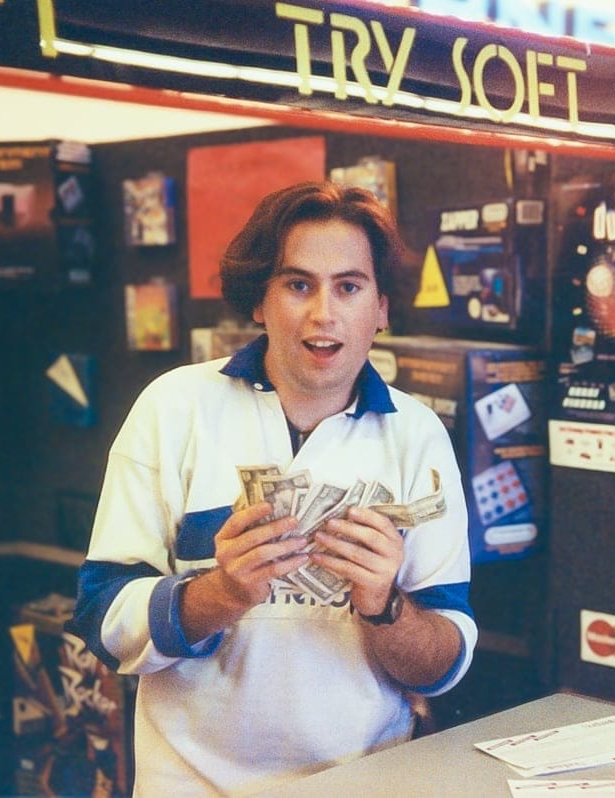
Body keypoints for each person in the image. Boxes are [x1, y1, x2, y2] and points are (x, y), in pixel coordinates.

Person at [68, 181, 476, 797]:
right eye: (298, 284)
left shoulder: (419, 436)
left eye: (349, 286)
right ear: (259, 300)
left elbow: (444, 665)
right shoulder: (173, 407)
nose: (324, 314)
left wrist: (384, 605)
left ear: (382, 308)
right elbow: (103, 621)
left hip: (365, 784)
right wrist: (222, 593)